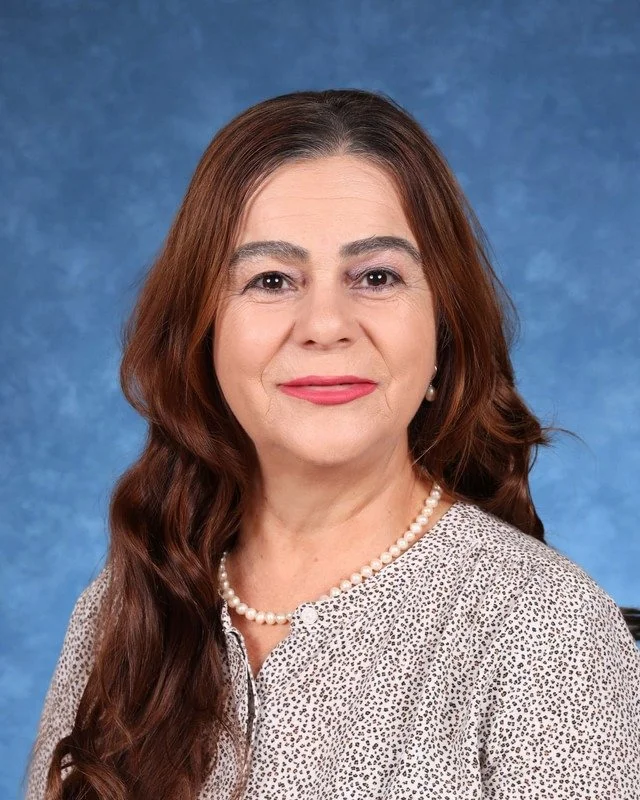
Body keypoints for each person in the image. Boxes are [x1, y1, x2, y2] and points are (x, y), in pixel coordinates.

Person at [24, 89, 640, 800]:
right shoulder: (123, 609)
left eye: (376, 277)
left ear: (443, 330)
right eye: (271, 280)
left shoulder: (546, 628)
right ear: (203, 333)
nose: (324, 324)